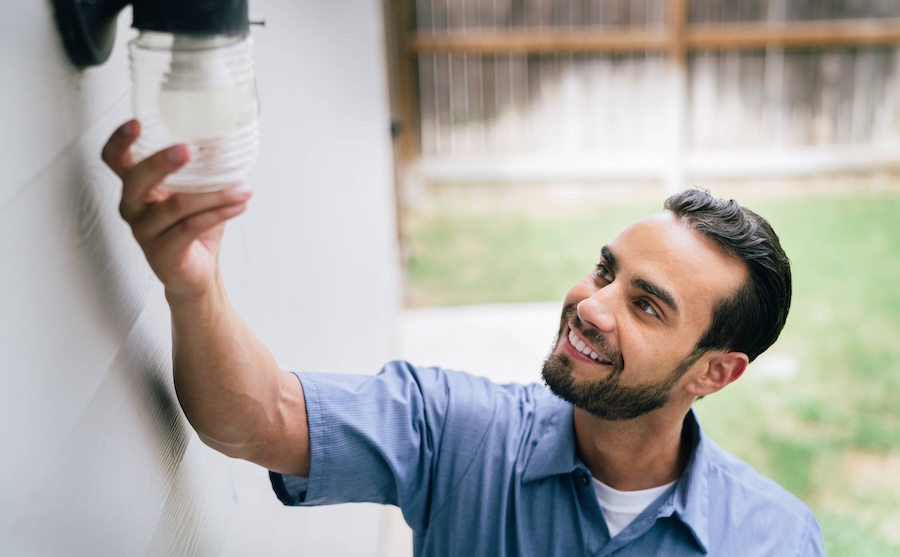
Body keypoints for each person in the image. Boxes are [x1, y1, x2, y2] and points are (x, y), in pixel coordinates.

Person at [102, 120, 826, 556]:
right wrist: (193, 287)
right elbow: (257, 418)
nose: (592, 306)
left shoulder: (775, 540)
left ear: (715, 374)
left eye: (646, 306)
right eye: (605, 271)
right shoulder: (455, 430)